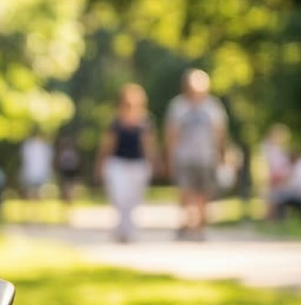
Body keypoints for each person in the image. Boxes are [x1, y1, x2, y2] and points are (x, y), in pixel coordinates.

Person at [164, 68, 228, 240]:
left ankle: (199, 225)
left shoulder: (213, 107)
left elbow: (220, 133)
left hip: (207, 157)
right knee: (186, 191)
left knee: (204, 192)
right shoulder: (178, 106)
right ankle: (189, 222)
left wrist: (222, 155)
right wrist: (169, 157)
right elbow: (171, 134)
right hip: (184, 157)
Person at [95, 83, 160, 242]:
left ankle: (129, 230)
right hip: (118, 164)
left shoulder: (145, 122)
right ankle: (121, 230)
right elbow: (107, 145)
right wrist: (100, 164)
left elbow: (149, 146)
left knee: (134, 199)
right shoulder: (115, 123)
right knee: (120, 198)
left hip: (138, 165)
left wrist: (155, 162)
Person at [270, 146, 301, 219]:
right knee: (277, 194)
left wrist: (287, 184)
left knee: (278, 195)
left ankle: (275, 218)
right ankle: (276, 218)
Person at [261, 124, 292, 220]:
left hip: (281, 177)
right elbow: (267, 163)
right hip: (272, 176)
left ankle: (280, 219)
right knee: (271, 200)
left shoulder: (281, 149)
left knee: (279, 199)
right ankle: (270, 220)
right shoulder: (268, 148)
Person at [18, 129, 53, 201]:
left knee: (38, 189)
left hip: (40, 171)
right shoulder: (28, 145)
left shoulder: (45, 146)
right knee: (30, 189)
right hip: (31, 171)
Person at [55, 133, 81, 207]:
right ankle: (67, 199)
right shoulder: (66, 153)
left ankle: (69, 199)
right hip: (67, 171)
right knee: (67, 186)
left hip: (70, 171)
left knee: (69, 186)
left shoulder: (69, 153)